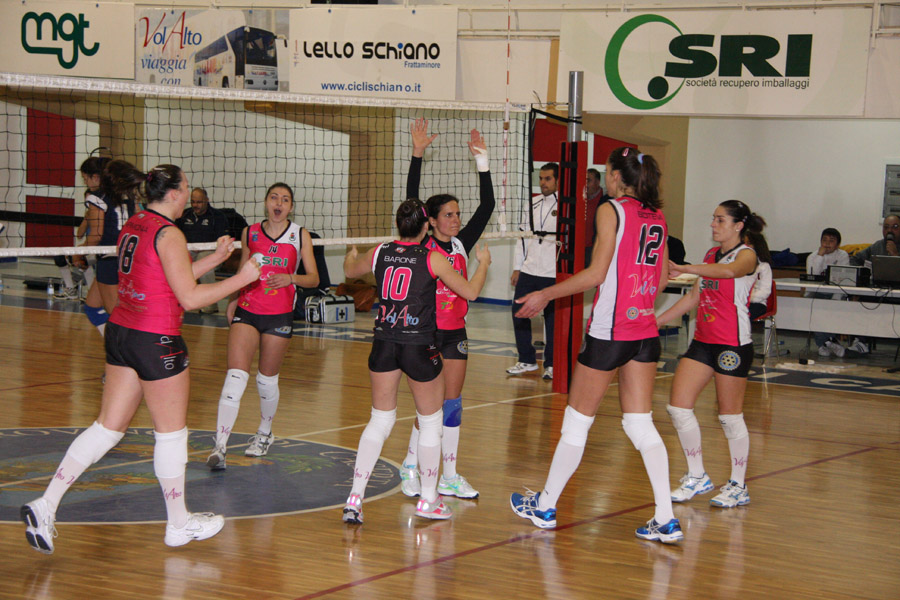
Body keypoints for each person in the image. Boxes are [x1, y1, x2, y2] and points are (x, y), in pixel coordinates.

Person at [20, 162, 261, 554]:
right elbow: (189, 297)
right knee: (171, 433)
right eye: (187, 187)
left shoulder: (136, 223)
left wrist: (217, 259)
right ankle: (178, 523)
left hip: (122, 333)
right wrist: (243, 278)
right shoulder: (170, 234)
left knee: (107, 429)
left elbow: (167, 276)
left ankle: (46, 504)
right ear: (175, 193)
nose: (189, 194)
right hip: (156, 340)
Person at [509, 147, 683, 544]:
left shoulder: (612, 209)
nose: (604, 178)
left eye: (606, 172)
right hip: (644, 331)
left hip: (610, 331)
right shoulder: (657, 216)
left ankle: (546, 505)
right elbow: (660, 280)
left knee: (577, 422)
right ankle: (665, 518)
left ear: (618, 177)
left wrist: (546, 294)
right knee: (640, 424)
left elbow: (596, 274)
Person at [340, 199, 492, 524]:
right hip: (419, 345)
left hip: (384, 343)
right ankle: (428, 498)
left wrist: (351, 254)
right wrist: (484, 265)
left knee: (379, 421)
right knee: (431, 421)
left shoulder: (380, 252)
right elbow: (470, 292)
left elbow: (350, 270)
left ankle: (355, 497)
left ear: (398, 224)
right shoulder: (432, 257)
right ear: (426, 227)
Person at [397, 119, 495, 501]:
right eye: (449, 215)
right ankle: (410, 465)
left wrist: (482, 162)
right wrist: (417, 154)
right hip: (426, 333)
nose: (456, 219)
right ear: (431, 220)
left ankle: (450, 475)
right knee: (430, 409)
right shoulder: (422, 245)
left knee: (452, 406)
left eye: (457, 214)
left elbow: (487, 206)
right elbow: (411, 197)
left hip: (455, 332)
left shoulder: (460, 244)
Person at [656, 200, 766, 511]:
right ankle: (696, 476)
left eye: (720, 220)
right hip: (703, 341)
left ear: (738, 225)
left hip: (733, 344)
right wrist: (656, 322)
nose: (713, 225)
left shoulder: (746, 255)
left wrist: (684, 268)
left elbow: (729, 271)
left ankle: (738, 485)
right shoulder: (709, 256)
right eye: (713, 219)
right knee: (678, 408)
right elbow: (694, 297)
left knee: (730, 417)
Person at [206, 183, 318, 469]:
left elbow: (314, 279)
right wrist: (232, 298)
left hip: (279, 314)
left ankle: (264, 433)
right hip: (248, 309)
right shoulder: (250, 232)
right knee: (235, 377)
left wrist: (291, 278)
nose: (278, 203)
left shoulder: (299, 235)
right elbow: (242, 269)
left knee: (266, 381)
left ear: (291, 207)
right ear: (266, 202)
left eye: (285, 200)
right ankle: (220, 446)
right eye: (274, 198)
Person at [72, 157, 135, 338]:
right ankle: (115, 348)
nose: (85, 183)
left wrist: (79, 252)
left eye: (85, 178)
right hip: (127, 256)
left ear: (95, 177)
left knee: (116, 317)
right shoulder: (126, 195)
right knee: (92, 308)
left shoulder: (96, 198)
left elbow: (97, 235)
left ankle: (128, 352)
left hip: (109, 258)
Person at [508, 163, 559, 380]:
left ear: (557, 180)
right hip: (529, 271)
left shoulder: (566, 207)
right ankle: (526, 360)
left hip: (553, 273)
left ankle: (552, 364)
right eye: (541, 178)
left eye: (548, 179)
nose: (543, 183)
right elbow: (522, 239)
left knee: (552, 319)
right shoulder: (532, 204)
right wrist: (517, 267)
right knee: (519, 312)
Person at [177, 187, 228, 313]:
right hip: (188, 251)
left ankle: (210, 304)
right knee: (174, 262)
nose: (195, 205)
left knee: (204, 262)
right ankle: (177, 300)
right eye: (193, 202)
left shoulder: (218, 217)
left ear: (207, 200)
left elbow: (222, 242)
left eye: (199, 202)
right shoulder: (184, 215)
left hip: (211, 252)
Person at [806, 227, 851, 357]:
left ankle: (824, 343)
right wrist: (820, 256)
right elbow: (813, 276)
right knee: (816, 308)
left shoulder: (842, 255)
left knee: (832, 307)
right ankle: (828, 342)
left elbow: (842, 278)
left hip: (836, 292)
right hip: (816, 292)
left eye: (831, 241)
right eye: (824, 240)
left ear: (838, 244)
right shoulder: (813, 256)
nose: (827, 244)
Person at [583, 167, 610, 265]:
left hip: (596, 248)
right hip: (580, 248)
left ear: (598, 182)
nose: (585, 184)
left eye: (588, 181)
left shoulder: (606, 200)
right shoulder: (580, 199)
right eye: (584, 181)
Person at [747, 236, 773, 321]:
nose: (745, 246)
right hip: (741, 301)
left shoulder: (764, 266)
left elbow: (765, 291)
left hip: (757, 303)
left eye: (748, 243)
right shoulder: (739, 265)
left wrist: (748, 298)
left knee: (741, 317)